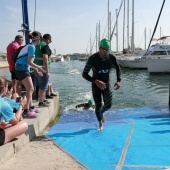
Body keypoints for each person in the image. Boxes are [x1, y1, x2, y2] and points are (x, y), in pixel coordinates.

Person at [82, 38, 121, 130]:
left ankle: (101, 112)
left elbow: (118, 68)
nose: (106, 53)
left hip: (106, 84)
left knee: (108, 106)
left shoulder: (111, 57)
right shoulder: (92, 59)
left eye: (108, 50)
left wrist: (118, 80)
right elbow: (84, 74)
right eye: (104, 50)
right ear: (99, 49)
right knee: (98, 105)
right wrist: (96, 81)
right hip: (96, 85)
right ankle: (100, 123)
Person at [15, 31, 45, 118]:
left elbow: (27, 62)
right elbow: (29, 62)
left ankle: (31, 107)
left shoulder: (29, 46)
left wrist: (36, 68)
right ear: (39, 39)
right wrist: (39, 68)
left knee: (30, 89)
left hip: (21, 69)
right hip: (22, 69)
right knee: (30, 89)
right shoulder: (32, 47)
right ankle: (26, 111)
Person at [0, 77, 28, 146]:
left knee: (6, 124)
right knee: (24, 125)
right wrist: (21, 104)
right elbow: (15, 121)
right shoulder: (3, 104)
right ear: (4, 88)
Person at [34, 34, 52, 107]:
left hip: (36, 68)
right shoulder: (44, 45)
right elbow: (45, 58)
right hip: (43, 69)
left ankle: (43, 100)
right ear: (47, 39)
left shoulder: (37, 45)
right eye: (50, 40)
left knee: (42, 85)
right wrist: (47, 71)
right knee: (43, 86)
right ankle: (41, 102)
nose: (50, 42)